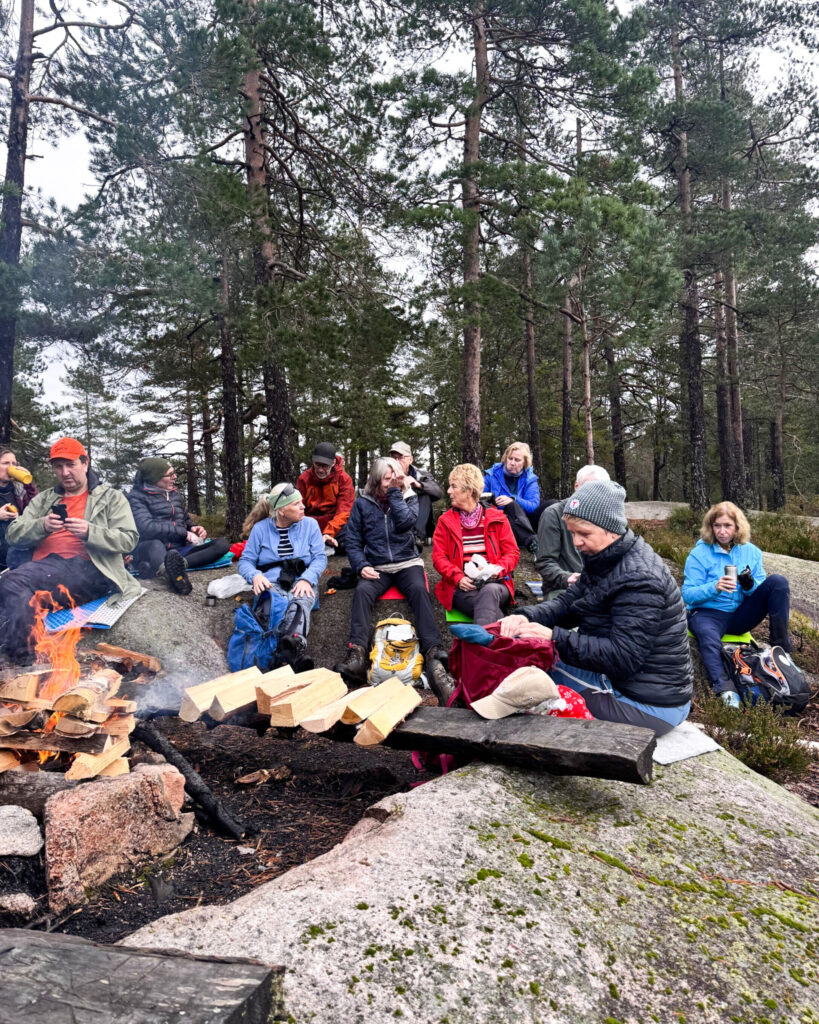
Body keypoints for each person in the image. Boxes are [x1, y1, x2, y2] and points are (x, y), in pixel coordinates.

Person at [498, 480, 693, 736]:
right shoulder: (604, 558)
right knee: (530, 654)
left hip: (648, 704)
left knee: (533, 671)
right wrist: (525, 616)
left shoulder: (639, 578)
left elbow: (623, 656)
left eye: (584, 534)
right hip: (634, 685)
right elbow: (569, 604)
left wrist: (553, 637)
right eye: (572, 533)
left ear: (611, 529)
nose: (576, 542)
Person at [0, 437, 139, 662]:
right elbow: (13, 533)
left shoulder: (111, 497)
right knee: (13, 590)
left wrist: (90, 532)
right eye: (58, 466)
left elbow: (129, 539)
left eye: (70, 464)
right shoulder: (45, 499)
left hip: (86, 571)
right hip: (40, 571)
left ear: (85, 463)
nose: (65, 472)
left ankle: (23, 660)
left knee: (12, 584)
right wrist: (42, 525)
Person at [338, 457, 449, 692]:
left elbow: (406, 524)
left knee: (419, 590)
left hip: (407, 561)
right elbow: (353, 541)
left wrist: (396, 494)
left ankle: (433, 650)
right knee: (362, 592)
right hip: (377, 565)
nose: (392, 482)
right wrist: (361, 565)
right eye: (387, 479)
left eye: (395, 478)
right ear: (376, 480)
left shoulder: (407, 496)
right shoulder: (363, 503)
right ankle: (357, 654)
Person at [682, 501, 794, 708]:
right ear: (710, 527)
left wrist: (749, 585)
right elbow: (688, 594)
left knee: (778, 582)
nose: (722, 531)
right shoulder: (698, 554)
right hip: (708, 613)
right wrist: (714, 587)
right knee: (708, 639)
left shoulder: (751, 552)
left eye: (727, 526)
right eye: (717, 526)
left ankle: (782, 651)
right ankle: (725, 689)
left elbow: (761, 587)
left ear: (737, 527)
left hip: (740, 614)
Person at [237, 483, 326, 664]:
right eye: (296, 504)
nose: (303, 507)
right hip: (271, 582)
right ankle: (286, 656)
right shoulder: (261, 529)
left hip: (301, 579)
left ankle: (292, 648)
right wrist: (255, 576)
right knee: (272, 605)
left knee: (299, 603)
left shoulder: (310, 525)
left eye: (301, 502)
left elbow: (320, 558)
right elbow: (245, 561)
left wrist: (307, 579)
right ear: (282, 511)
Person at [432, 463, 519, 625]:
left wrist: (496, 570)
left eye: (453, 486)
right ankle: (501, 635)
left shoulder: (497, 518)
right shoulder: (445, 521)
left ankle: (483, 639)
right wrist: (458, 578)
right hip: (463, 587)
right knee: (486, 603)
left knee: (489, 591)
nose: (449, 491)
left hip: (495, 584)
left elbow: (512, 552)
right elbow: (438, 558)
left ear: (469, 491)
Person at [128, 458, 230, 595]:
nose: (175, 477)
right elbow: (146, 527)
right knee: (155, 544)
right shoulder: (136, 497)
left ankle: (177, 566)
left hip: (178, 550)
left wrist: (193, 528)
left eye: (174, 473)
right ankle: (174, 576)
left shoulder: (174, 495)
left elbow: (185, 520)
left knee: (222, 544)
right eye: (170, 475)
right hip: (152, 549)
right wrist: (184, 533)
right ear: (154, 478)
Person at [536, 464, 611, 599]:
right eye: (590, 488)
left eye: (601, 490)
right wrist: (566, 577)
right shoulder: (553, 514)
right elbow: (545, 562)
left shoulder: (607, 516)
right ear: (577, 486)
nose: (595, 495)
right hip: (562, 588)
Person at [483, 442, 550, 553]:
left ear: (525, 463)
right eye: (510, 459)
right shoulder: (491, 475)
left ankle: (558, 543)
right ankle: (532, 544)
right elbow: (479, 498)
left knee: (552, 505)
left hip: (526, 521)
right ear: (505, 459)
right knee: (511, 505)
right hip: (502, 521)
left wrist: (514, 499)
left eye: (517, 460)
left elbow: (533, 506)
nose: (512, 463)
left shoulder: (530, 479)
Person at [296, 442, 355, 555]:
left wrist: (329, 533)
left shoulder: (344, 479)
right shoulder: (304, 479)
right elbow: (299, 509)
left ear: (333, 463)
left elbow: (344, 511)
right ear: (313, 462)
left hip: (335, 525)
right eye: (318, 465)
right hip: (310, 525)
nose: (320, 470)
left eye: (325, 466)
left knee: (352, 530)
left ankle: (324, 544)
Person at [389, 441, 443, 544]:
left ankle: (416, 538)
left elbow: (437, 492)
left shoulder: (420, 475)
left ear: (410, 459)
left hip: (415, 519)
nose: (396, 461)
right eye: (393, 458)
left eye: (400, 457)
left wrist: (417, 484)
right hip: (394, 518)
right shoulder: (385, 474)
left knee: (424, 494)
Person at [0, 448, 37, 570]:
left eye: (14, 463)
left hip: (16, 558)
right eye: (6, 463)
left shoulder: (19, 490)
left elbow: (37, 508)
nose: (11, 467)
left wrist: (28, 484)